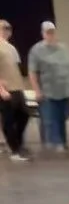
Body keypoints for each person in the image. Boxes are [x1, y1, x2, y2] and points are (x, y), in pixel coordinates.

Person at [28, 20, 69, 151]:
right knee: (51, 118)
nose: (51, 35)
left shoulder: (63, 48)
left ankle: (63, 142)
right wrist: (37, 90)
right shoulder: (36, 50)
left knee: (62, 117)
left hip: (64, 90)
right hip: (48, 91)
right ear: (43, 33)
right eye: (48, 32)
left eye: (52, 32)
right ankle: (54, 143)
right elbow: (32, 72)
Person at [0, 19, 30, 161]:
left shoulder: (11, 48)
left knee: (24, 115)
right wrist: (1, 89)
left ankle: (18, 144)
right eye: (3, 28)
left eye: (8, 28)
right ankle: (15, 150)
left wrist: (23, 86)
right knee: (9, 120)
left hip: (17, 88)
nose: (6, 31)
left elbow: (17, 69)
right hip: (6, 89)